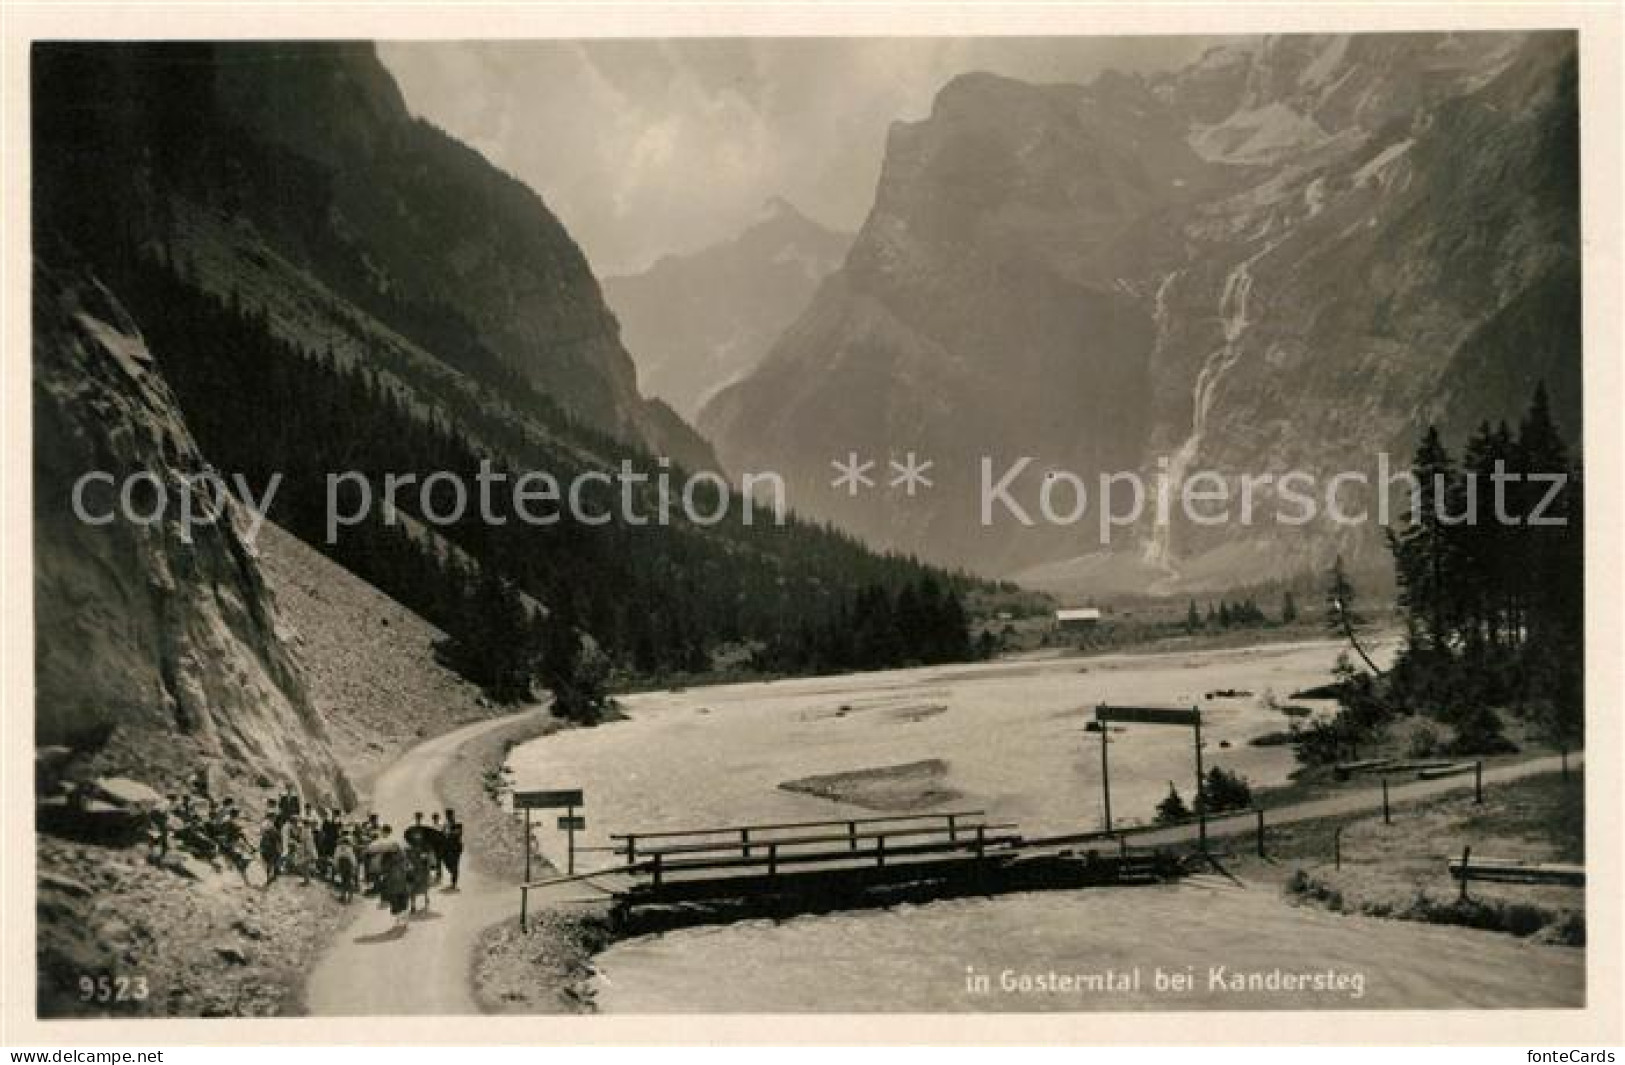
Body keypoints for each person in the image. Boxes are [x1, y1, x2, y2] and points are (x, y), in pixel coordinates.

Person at [369, 826, 413, 929]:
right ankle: (403, 918)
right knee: (403, 898)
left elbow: (383, 867)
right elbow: (407, 864)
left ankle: (398, 917)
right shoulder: (401, 853)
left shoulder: (386, 855)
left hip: (392, 881)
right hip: (401, 879)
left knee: (393, 898)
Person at [441, 809, 464, 890]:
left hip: (456, 848)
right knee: (447, 864)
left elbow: (459, 833)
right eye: (447, 815)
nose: (448, 816)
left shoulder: (458, 824)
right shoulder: (445, 825)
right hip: (447, 848)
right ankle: (453, 879)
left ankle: (454, 884)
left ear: (452, 815)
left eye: (449, 815)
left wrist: (450, 833)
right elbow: (442, 835)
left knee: (455, 865)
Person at [333, 831, 358, 904]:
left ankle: (343, 897)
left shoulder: (338, 848)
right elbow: (352, 859)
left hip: (342, 865)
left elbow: (336, 858)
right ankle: (349, 898)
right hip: (348, 865)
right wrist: (354, 866)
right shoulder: (349, 849)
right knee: (349, 881)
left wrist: (336, 866)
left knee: (343, 881)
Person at [258, 815, 283, 886]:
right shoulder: (274, 831)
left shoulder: (265, 830)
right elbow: (279, 840)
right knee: (273, 860)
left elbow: (261, 835)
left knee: (268, 863)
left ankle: (270, 876)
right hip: (271, 849)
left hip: (265, 848)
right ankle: (273, 874)